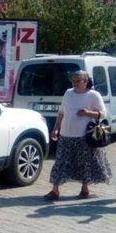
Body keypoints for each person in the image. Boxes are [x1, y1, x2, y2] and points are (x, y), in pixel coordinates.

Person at [44, 70, 111, 200]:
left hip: (83, 136)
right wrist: (56, 129)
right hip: (65, 134)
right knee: (60, 162)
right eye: (73, 81)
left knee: (84, 163)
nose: (74, 83)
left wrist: (87, 113)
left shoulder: (93, 95)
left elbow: (103, 114)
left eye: (77, 81)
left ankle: (85, 189)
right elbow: (61, 112)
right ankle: (55, 190)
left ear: (86, 81)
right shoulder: (68, 93)